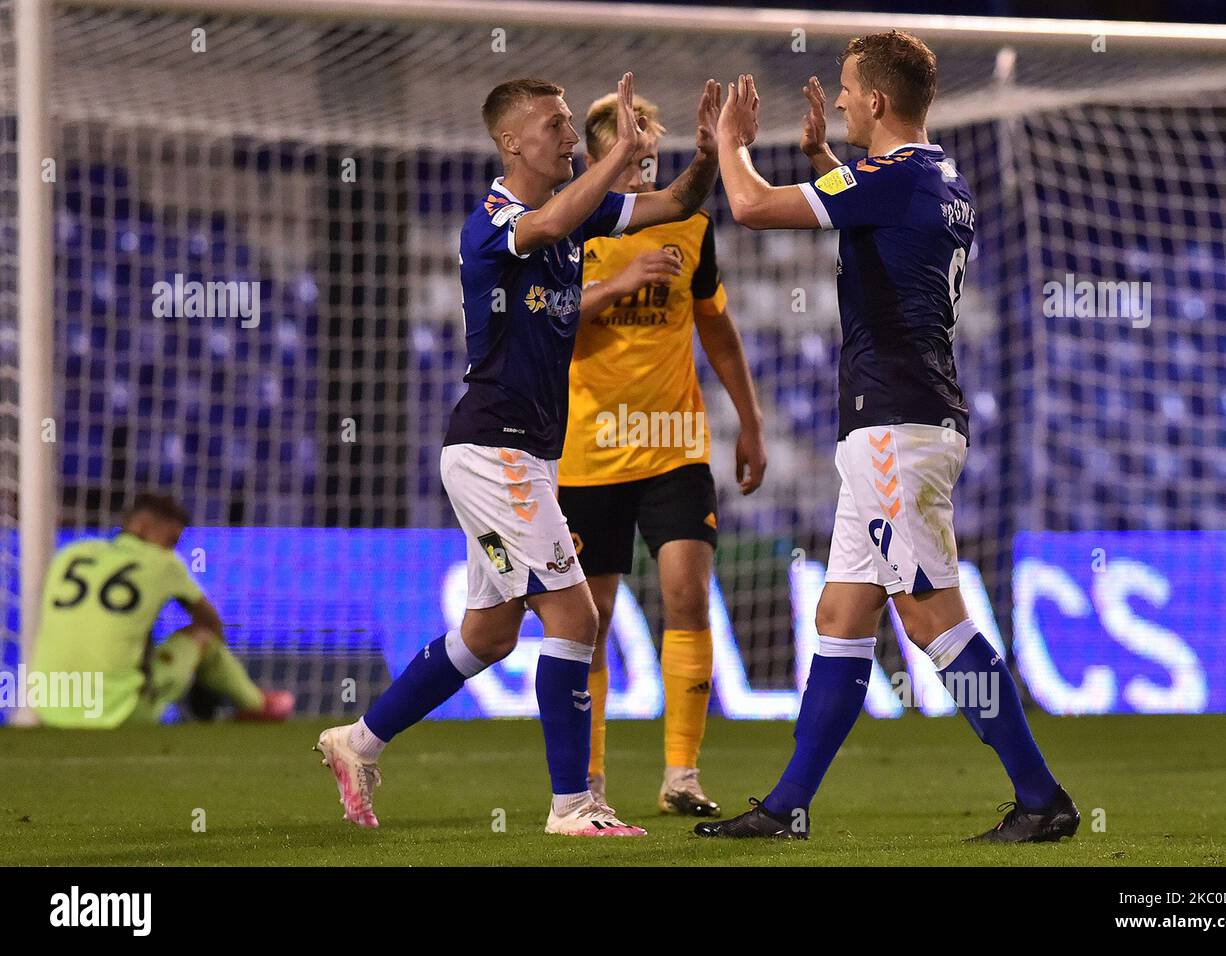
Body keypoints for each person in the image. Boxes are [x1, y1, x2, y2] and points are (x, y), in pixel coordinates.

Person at [695, 31, 1079, 843]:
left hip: (897, 426)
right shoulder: (939, 177)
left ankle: (1041, 798)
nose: (836, 100)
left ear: (876, 100)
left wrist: (732, 145)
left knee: (933, 616)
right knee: (841, 612)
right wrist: (829, 160)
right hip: (900, 421)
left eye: (844, 90)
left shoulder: (896, 177)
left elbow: (752, 206)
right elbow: (880, 223)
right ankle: (787, 806)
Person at [315, 73, 721, 835]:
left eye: (572, 123)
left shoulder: (583, 211)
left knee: (491, 634)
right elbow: (545, 225)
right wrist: (617, 153)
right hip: (491, 445)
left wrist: (703, 157)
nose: (570, 135)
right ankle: (574, 804)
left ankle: (357, 740)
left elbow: (675, 205)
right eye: (557, 124)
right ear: (512, 142)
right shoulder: (492, 219)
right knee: (576, 616)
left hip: (525, 454)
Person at [557, 90, 767, 818]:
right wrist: (614, 283)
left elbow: (718, 330)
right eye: (631, 155)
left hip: (675, 448)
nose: (643, 169)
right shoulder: (565, 229)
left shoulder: (689, 227)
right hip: (587, 454)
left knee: (685, 596)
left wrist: (751, 420)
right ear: (594, 154)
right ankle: (585, 783)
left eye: (650, 156)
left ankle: (682, 775)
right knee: (589, 622)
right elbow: (548, 327)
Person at [29, 493, 292, 728]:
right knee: (203, 636)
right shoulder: (163, 563)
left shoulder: (70, 554)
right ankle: (256, 705)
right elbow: (211, 622)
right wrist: (206, 679)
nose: (171, 548)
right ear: (142, 527)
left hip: (49, 707)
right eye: (170, 540)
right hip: (117, 715)